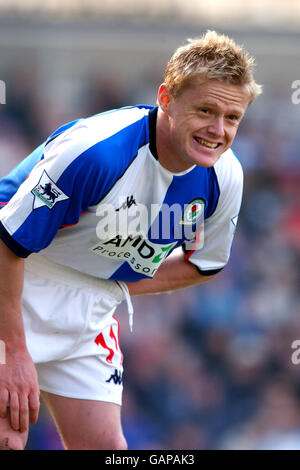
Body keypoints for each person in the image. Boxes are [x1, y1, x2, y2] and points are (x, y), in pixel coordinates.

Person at [0, 30, 261, 450]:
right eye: (205, 110)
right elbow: (7, 240)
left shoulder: (225, 175)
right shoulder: (97, 151)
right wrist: (13, 352)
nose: (218, 131)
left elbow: (204, 264)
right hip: (14, 278)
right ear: (166, 98)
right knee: (8, 440)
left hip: (93, 307)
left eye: (232, 118)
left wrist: (113, 282)